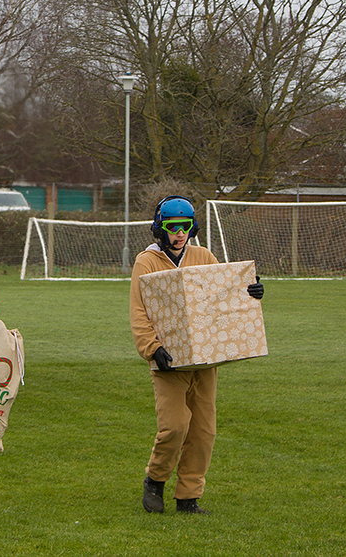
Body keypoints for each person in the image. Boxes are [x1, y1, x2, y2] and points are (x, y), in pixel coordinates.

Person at [131, 195, 265, 514]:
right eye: (172, 227)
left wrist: (251, 290)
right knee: (175, 426)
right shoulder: (145, 262)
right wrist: (153, 349)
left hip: (205, 360)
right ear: (159, 229)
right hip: (168, 362)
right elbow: (139, 312)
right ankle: (156, 480)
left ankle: (188, 496)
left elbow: (224, 293)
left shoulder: (203, 255)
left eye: (185, 227)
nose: (179, 234)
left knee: (204, 430)